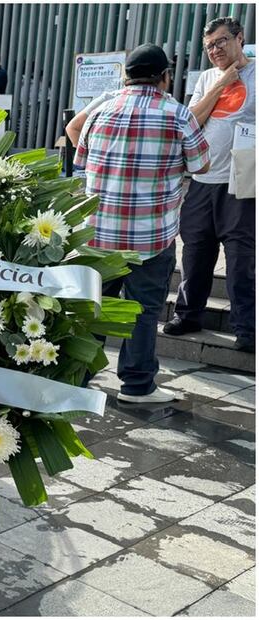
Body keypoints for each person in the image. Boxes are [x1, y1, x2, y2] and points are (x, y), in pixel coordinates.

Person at [75, 44, 211, 404]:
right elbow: (202, 165)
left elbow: (81, 158)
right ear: (164, 77)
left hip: (98, 234)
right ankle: (137, 385)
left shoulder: (100, 111)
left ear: (126, 76)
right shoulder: (178, 114)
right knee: (143, 310)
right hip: (151, 238)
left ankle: (77, 379)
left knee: (95, 307)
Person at [165, 16, 256, 353]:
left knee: (241, 258)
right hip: (202, 179)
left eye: (220, 42)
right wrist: (221, 83)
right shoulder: (207, 78)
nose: (215, 50)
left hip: (241, 182)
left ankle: (247, 328)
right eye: (209, 47)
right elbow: (191, 121)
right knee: (195, 251)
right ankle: (188, 315)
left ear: (239, 38)